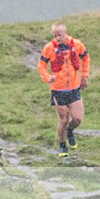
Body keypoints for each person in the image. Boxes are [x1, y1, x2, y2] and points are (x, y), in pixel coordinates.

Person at [37, 22, 91, 157]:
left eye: (59, 35)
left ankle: (70, 131)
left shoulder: (77, 45)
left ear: (65, 33)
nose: (57, 38)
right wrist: (47, 77)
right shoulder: (49, 48)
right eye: (55, 35)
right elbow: (41, 66)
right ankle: (62, 145)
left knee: (77, 119)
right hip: (58, 90)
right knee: (64, 119)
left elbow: (86, 58)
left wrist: (85, 76)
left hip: (74, 88)